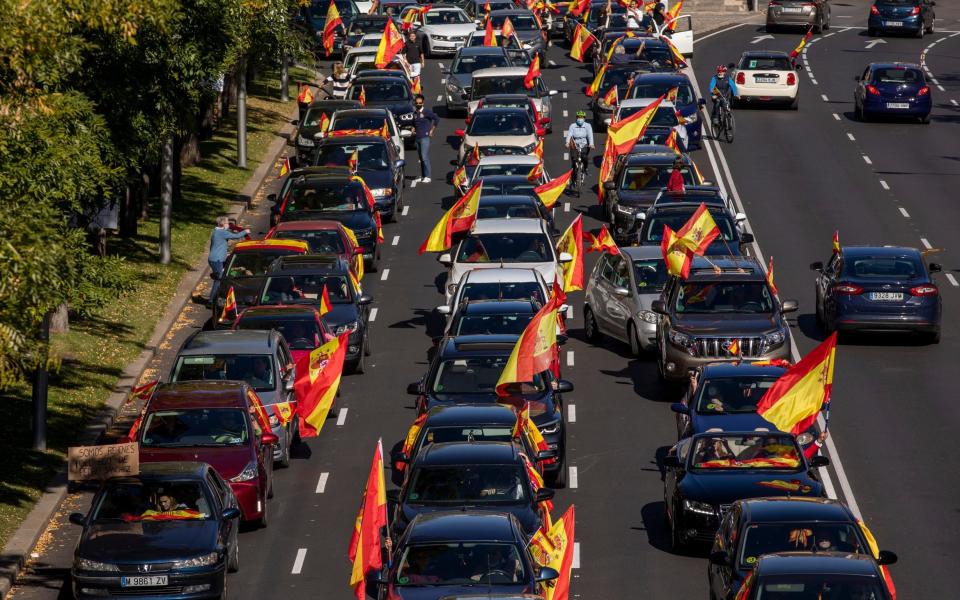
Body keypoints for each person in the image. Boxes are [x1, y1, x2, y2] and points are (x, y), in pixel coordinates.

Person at [207, 216, 250, 305]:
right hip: (217, 260)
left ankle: (216, 297)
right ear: (223, 224)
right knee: (219, 280)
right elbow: (236, 236)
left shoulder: (216, 232)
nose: (228, 225)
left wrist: (223, 253)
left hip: (214, 258)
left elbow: (216, 246)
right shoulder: (222, 232)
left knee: (220, 278)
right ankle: (211, 301)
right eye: (227, 223)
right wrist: (245, 231)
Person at [412, 94, 439, 183]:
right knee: (420, 158)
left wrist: (432, 130)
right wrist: (413, 129)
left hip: (425, 137)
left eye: (420, 103)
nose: (418, 104)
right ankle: (423, 175)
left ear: (423, 103)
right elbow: (414, 123)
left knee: (424, 156)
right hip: (417, 138)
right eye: (417, 103)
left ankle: (428, 176)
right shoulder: (415, 113)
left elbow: (436, 119)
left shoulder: (427, 112)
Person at [566, 110, 594, 178]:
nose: (580, 119)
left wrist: (591, 144)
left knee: (584, 157)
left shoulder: (588, 126)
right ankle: (573, 173)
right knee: (574, 159)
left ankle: (586, 169)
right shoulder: (572, 126)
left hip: (584, 145)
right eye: (579, 117)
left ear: (584, 118)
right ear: (576, 118)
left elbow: (590, 135)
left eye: (582, 117)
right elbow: (569, 135)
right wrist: (567, 142)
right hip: (575, 145)